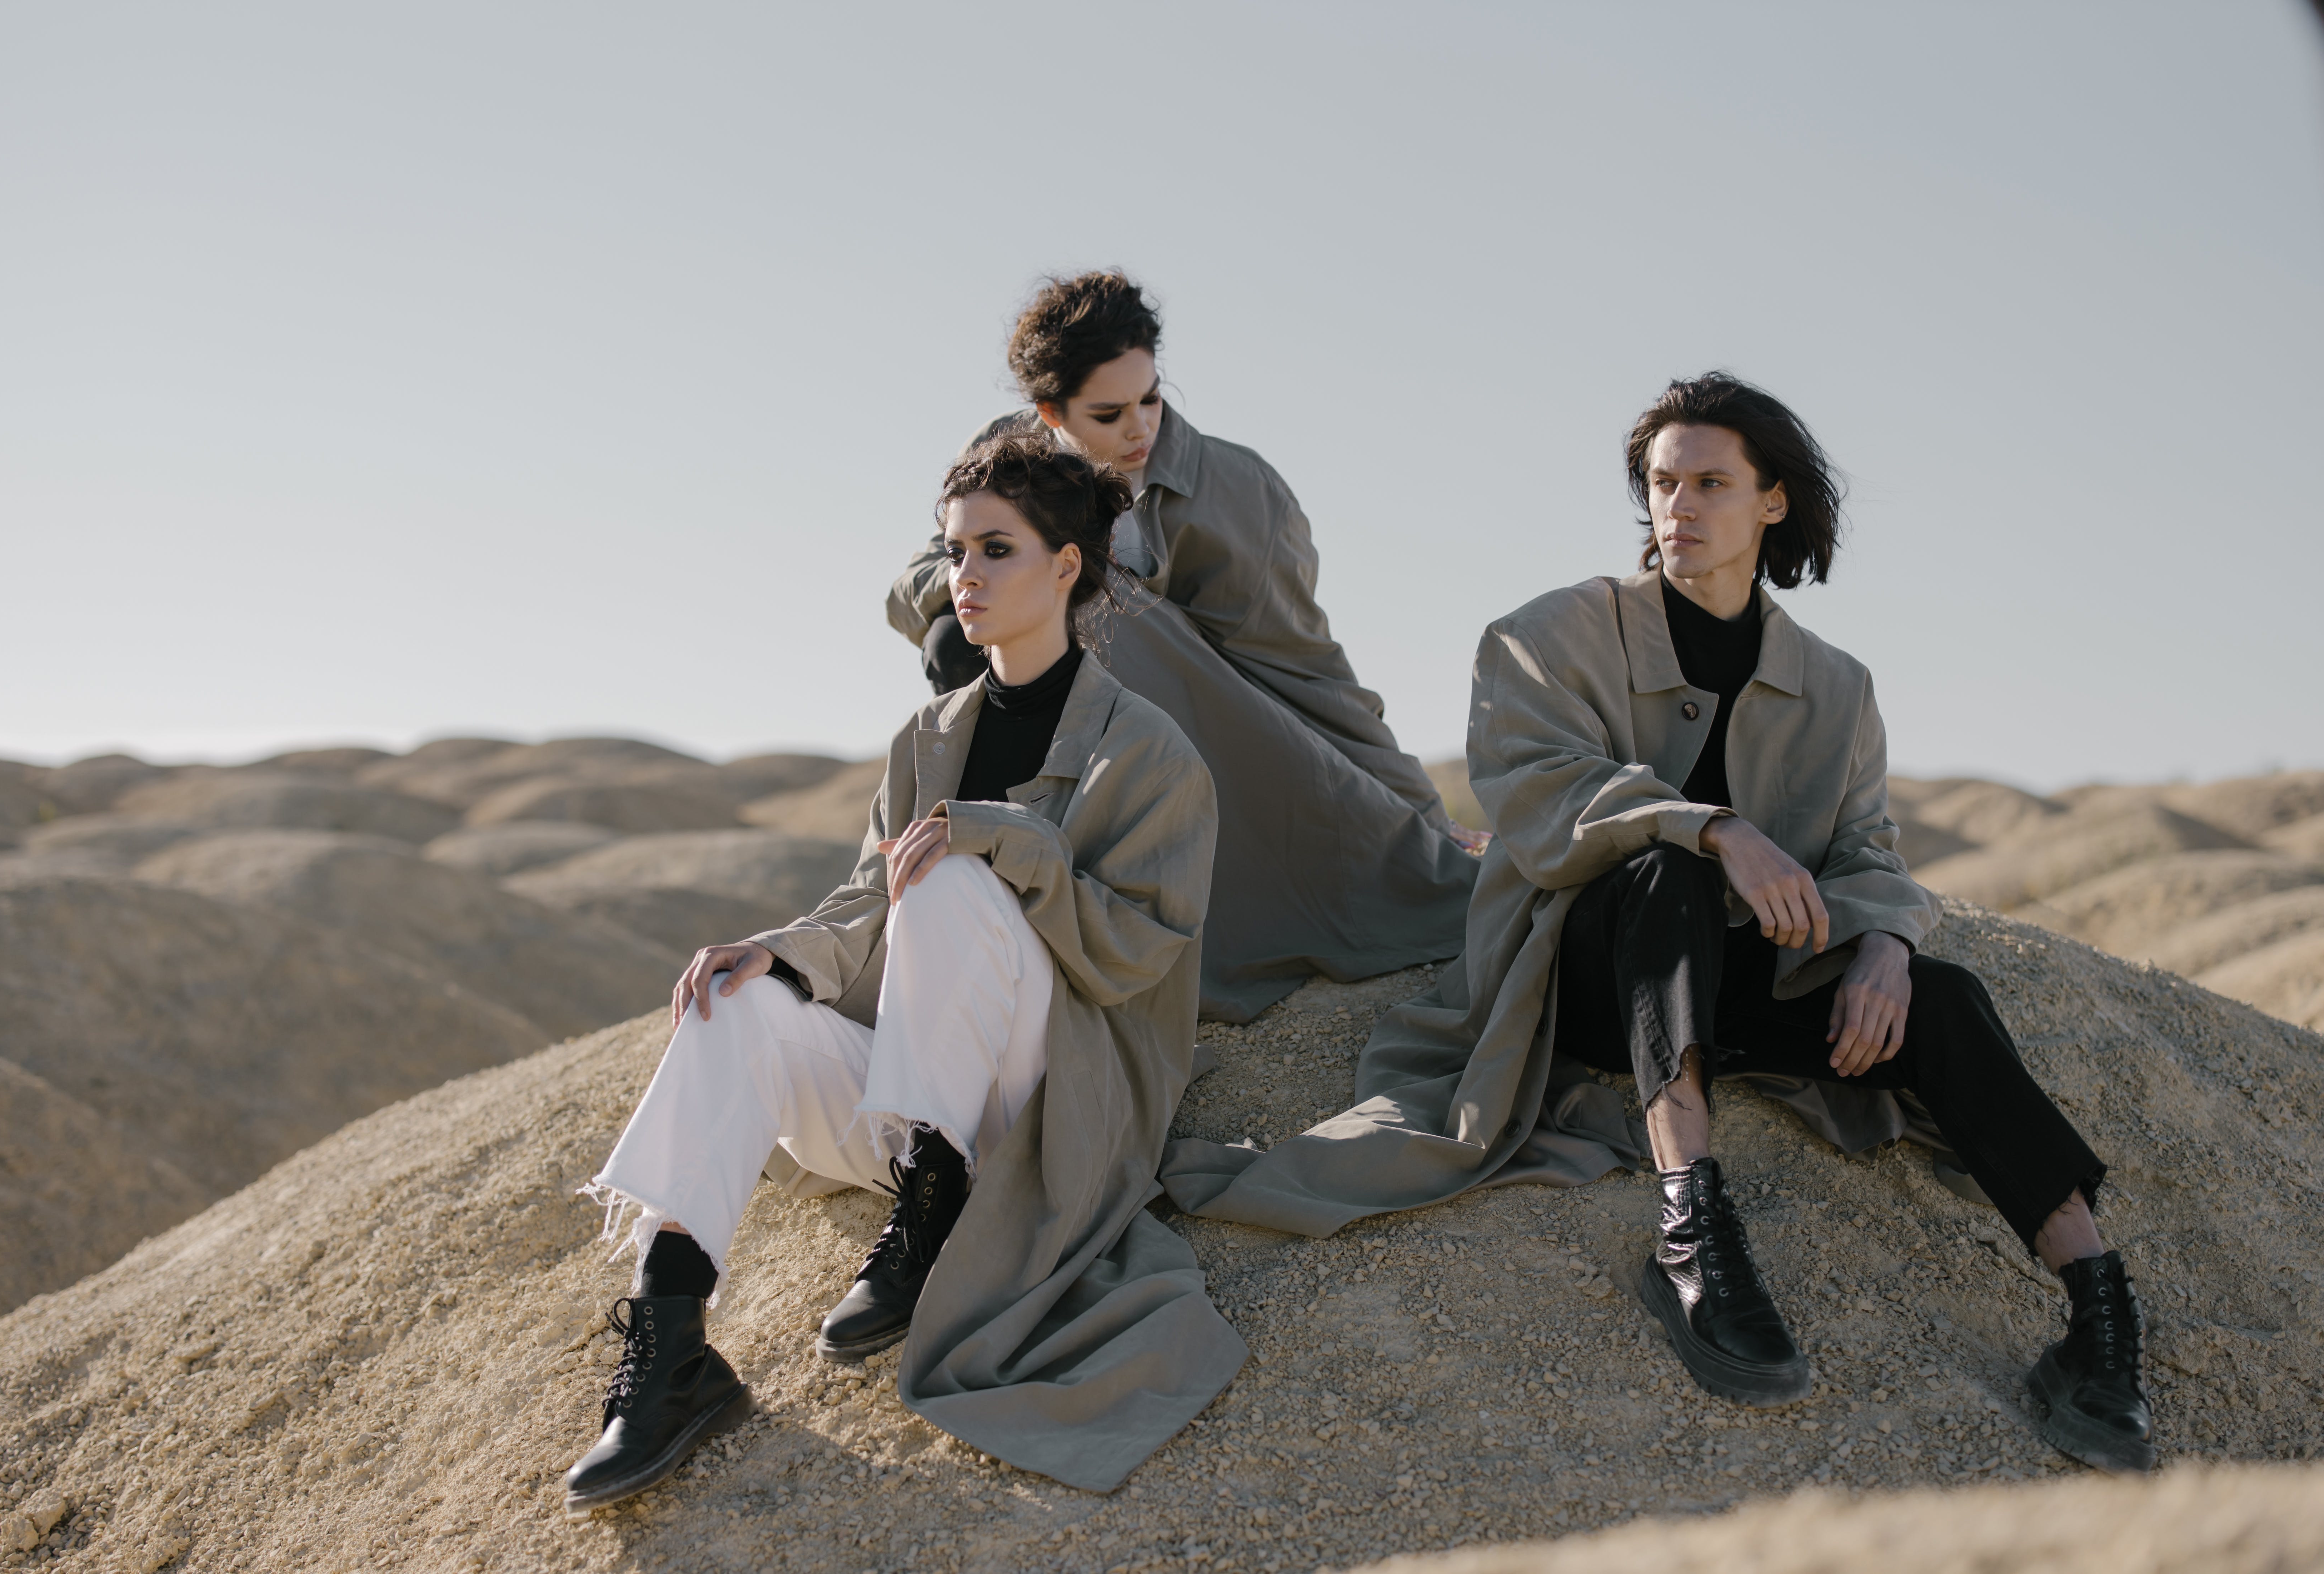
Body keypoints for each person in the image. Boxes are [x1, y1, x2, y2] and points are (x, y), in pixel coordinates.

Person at [1164, 373, 2153, 1476]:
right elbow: (1534, 794)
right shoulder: (1548, 634)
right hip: (1580, 975)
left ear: (1772, 502)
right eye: (1662, 482)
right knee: (1665, 878)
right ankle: (1693, 1226)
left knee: (1945, 996)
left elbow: (1869, 848)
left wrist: (1885, 944)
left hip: (1740, 984)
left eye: (1711, 483)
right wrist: (1715, 827)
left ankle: (2097, 1314)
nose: (1679, 505)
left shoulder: (1837, 685)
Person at [566, 433, 1241, 1514]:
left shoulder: (1148, 752)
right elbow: (863, 902)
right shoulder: (926, 736)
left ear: (1067, 566)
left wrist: (1006, 838)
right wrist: (777, 953)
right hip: (913, 1093)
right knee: (738, 995)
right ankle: (674, 1343)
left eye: (995, 550)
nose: (962, 577)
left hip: (1047, 1105)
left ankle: (937, 1208)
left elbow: (1135, 956)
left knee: (958, 873)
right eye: (952, 550)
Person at [886, 270, 1478, 1021]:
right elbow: (910, 588)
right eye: (1109, 413)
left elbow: (1306, 664)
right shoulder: (1007, 460)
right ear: (1049, 413)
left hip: (1212, 729)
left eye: (1152, 399)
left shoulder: (1238, 489)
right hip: (1054, 715)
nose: (1140, 431)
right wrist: (1006, 568)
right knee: (957, 637)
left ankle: (1113, 914)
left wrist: (1417, 808)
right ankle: (1000, 868)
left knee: (1095, 602)